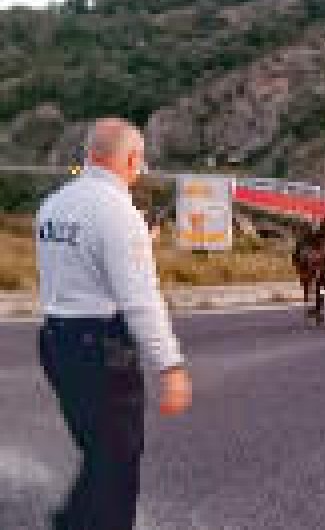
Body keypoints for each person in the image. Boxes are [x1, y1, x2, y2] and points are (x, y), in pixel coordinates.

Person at [35, 117, 192, 530]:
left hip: (55, 342)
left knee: (100, 454)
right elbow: (140, 298)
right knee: (118, 467)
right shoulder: (120, 213)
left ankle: (70, 521)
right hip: (100, 348)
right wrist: (170, 366)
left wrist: (139, 241)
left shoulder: (54, 204)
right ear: (131, 158)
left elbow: (78, 266)